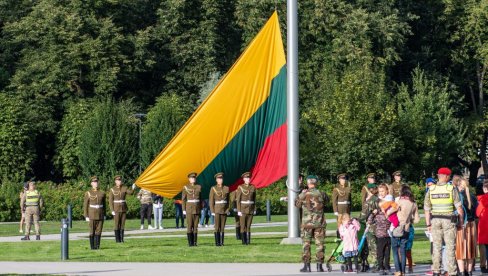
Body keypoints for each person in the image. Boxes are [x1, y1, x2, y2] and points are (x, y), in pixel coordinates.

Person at [424, 167, 463, 276]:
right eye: (449, 176)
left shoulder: (431, 190)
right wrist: (460, 223)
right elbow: (459, 208)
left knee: (436, 247)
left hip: (435, 220)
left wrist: (428, 224)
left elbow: (427, 209)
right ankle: (451, 272)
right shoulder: (451, 189)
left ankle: (436, 271)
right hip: (448, 221)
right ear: (446, 176)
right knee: (450, 247)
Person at [295, 175, 328, 273]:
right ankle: (319, 266)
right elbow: (326, 201)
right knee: (320, 244)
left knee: (306, 244)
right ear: (316, 182)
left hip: (307, 224)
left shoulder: (304, 194)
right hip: (319, 223)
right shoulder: (322, 193)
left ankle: (307, 266)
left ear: (308, 183)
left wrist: (302, 194)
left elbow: (297, 204)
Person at [392, 185, 420, 276]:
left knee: (395, 250)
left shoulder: (399, 201)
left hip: (397, 227)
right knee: (403, 251)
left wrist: (387, 213)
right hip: (407, 229)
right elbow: (417, 220)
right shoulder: (414, 203)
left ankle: (398, 270)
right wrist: (410, 219)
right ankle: (403, 271)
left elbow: (392, 210)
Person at [369, 183, 394, 275]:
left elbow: (394, 212)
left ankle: (387, 267)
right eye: (380, 191)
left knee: (387, 251)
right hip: (380, 232)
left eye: (383, 191)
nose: (381, 193)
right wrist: (373, 215)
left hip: (389, 232)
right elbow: (370, 217)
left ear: (387, 191)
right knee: (380, 252)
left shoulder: (390, 200)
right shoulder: (377, 202)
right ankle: (380, 267)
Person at [456, 178, 477, 276]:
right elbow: (477, 212)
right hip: (472, 224)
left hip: (461, 225)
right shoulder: (472, 197)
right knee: (471, 250)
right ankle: (469, 271)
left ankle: (461, 272)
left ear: (460, 185)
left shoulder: (458, 197)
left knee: (460, 250)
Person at [359, 181, 379, 272]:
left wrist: (355, 219)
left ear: (370, 191)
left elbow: (363, 215)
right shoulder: (379, 199)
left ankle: (376, 264)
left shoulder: (369, 201)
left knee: (372, 246)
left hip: (371, 226)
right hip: (381, 226)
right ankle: (383, 264)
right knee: (381, 245)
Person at [108, 176, 135, 243]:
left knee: (122, 224)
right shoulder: (112, 189)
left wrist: (133, 187)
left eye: (120, 180)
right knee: (117, 224)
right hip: (116, 209)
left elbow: (130, 193)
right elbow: (110, 201)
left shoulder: (124, 188)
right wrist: (112, 210)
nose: (119, 181)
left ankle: (122, 239)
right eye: (118, 180)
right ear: (115, 181)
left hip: (123, 208)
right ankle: (117, 239)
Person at [83, 176, 106, 250]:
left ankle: (97, 246)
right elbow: (85, 205)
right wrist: (86, 216)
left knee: (99, 231)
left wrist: (104, 214)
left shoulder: (102, 193)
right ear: (91, 183)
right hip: (92, 215)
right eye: (94, 182)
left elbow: (104, 205)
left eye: (96, 182)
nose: (96, 183)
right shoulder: (88, 193)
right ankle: (92, 247)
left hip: (100, 214)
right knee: (92, 231)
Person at [209, 172, 230, 246]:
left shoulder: (226, 188)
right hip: (217, 209)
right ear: (216, 180)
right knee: (217, 227)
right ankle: (217, 242)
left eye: (221, 178)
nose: (220, 180)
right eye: (219, 179)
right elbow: (211, 201)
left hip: (224, 210)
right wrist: (212, 211)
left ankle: (222, 242)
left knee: (222, 227)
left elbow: (228, 201)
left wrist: (227, 209)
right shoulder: (213, 188)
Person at [236, 172, 256, 245]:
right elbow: (238, 200)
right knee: (243, 226)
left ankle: (248, 241)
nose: (248, 179)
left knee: (248, 226)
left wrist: (254, 209)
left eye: (249, 178)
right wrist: (239, 210)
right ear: (244, 179)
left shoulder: (253, 187)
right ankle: (244, 241)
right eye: (247, 178)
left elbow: (254, 200)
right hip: (243, 209)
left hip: (250, 209)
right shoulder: (240, 187)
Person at [182, 172, 202, 246]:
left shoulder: (199, 187)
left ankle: (195, 242)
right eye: (192, 178)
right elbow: (183, 199)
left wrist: (201, 208)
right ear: (189, 179)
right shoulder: (185, 187)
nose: (193, 179)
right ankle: (190, 243)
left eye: (194, 178)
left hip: (197, 209)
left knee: (195, 227)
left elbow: (200, 199)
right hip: (189, 209)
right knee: (190, 226)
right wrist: (184, 210)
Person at [332, 173, 351, 237]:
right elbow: (334, 201)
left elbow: (350, 200)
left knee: (347, 222)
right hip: (340, 209)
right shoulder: (336, 189)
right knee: (340, 223)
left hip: (347, 208)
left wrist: (350, 209)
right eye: (342, 179)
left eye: (345, 179)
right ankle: (339, 236)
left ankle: (347, 236)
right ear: (339, 180)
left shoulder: (348, 188)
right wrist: (335, 211)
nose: (344, 180)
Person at [477, 180, 488, 275]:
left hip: (484, 225)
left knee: (483, 247)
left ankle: (483, 265)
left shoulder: (482, 199)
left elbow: (477, 213)